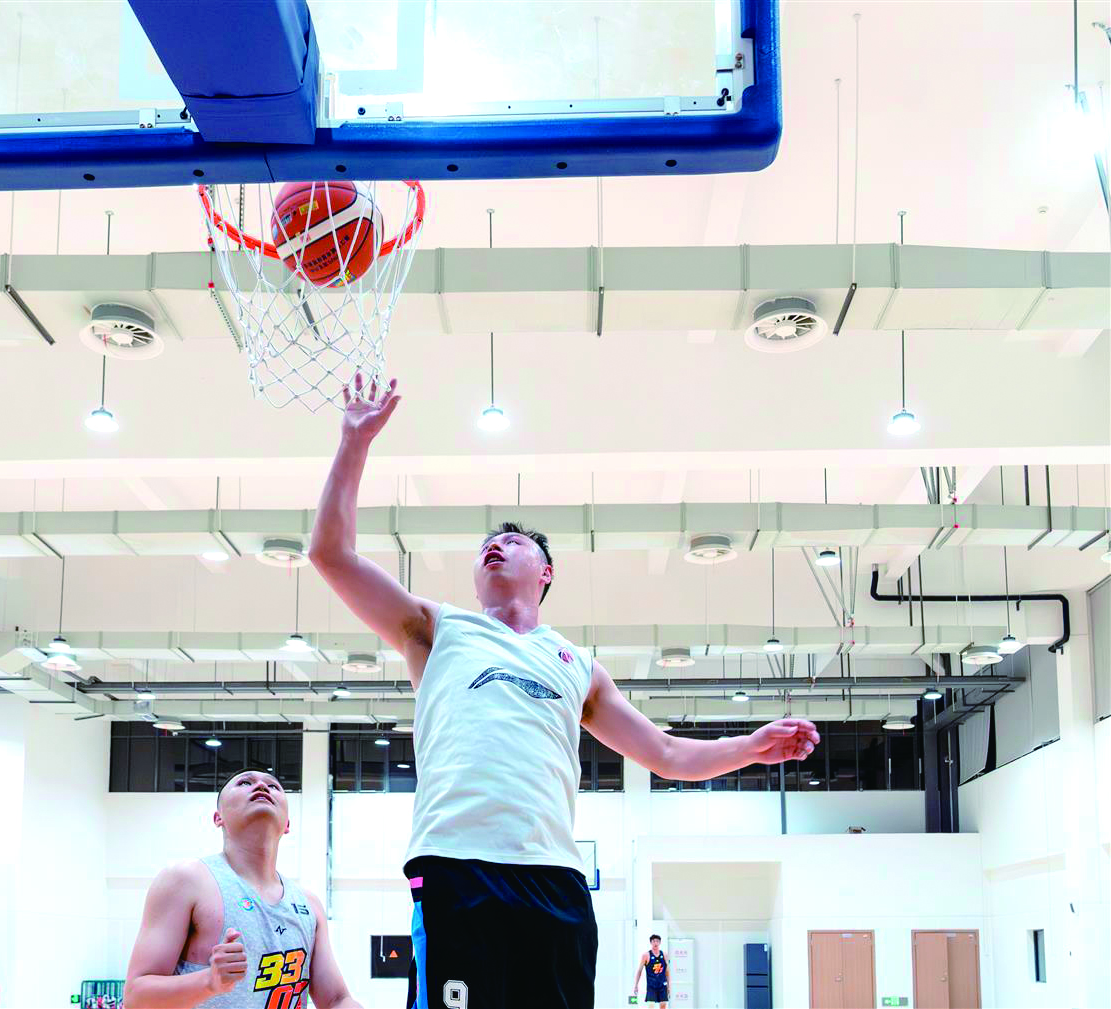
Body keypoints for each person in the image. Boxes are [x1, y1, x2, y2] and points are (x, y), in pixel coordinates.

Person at [308, 373, 820, 1009]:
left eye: (512, 541)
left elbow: (665, 754)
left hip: (555, 881)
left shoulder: (578, 665)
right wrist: (354, 442)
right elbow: (331, 555)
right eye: (487, 545)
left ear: (545, 573)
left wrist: (750, 746)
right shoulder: (437, 629)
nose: (495, 546)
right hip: (458, 866)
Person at [125, 768, 360, 1008]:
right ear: (218, 818)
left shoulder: (309, 904)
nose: (262, 786)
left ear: (287, 824)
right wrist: (208, 982)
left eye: (273, 786)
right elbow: (135, 998)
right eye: (245, 783)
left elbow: (337, 1000)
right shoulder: (185, 879)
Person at [632, 934, 670, 1008]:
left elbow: (667, 972)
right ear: (651, 942)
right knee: (651, 1006)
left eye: (657, 941)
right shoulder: (646, 955)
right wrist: (636, 985)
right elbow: (639, 971)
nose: (655, 943)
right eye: (654, 941)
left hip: (662, 985)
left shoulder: (664, 955)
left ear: (660, 943)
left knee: (663, 1006)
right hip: (651, 985)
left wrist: (669, 986)